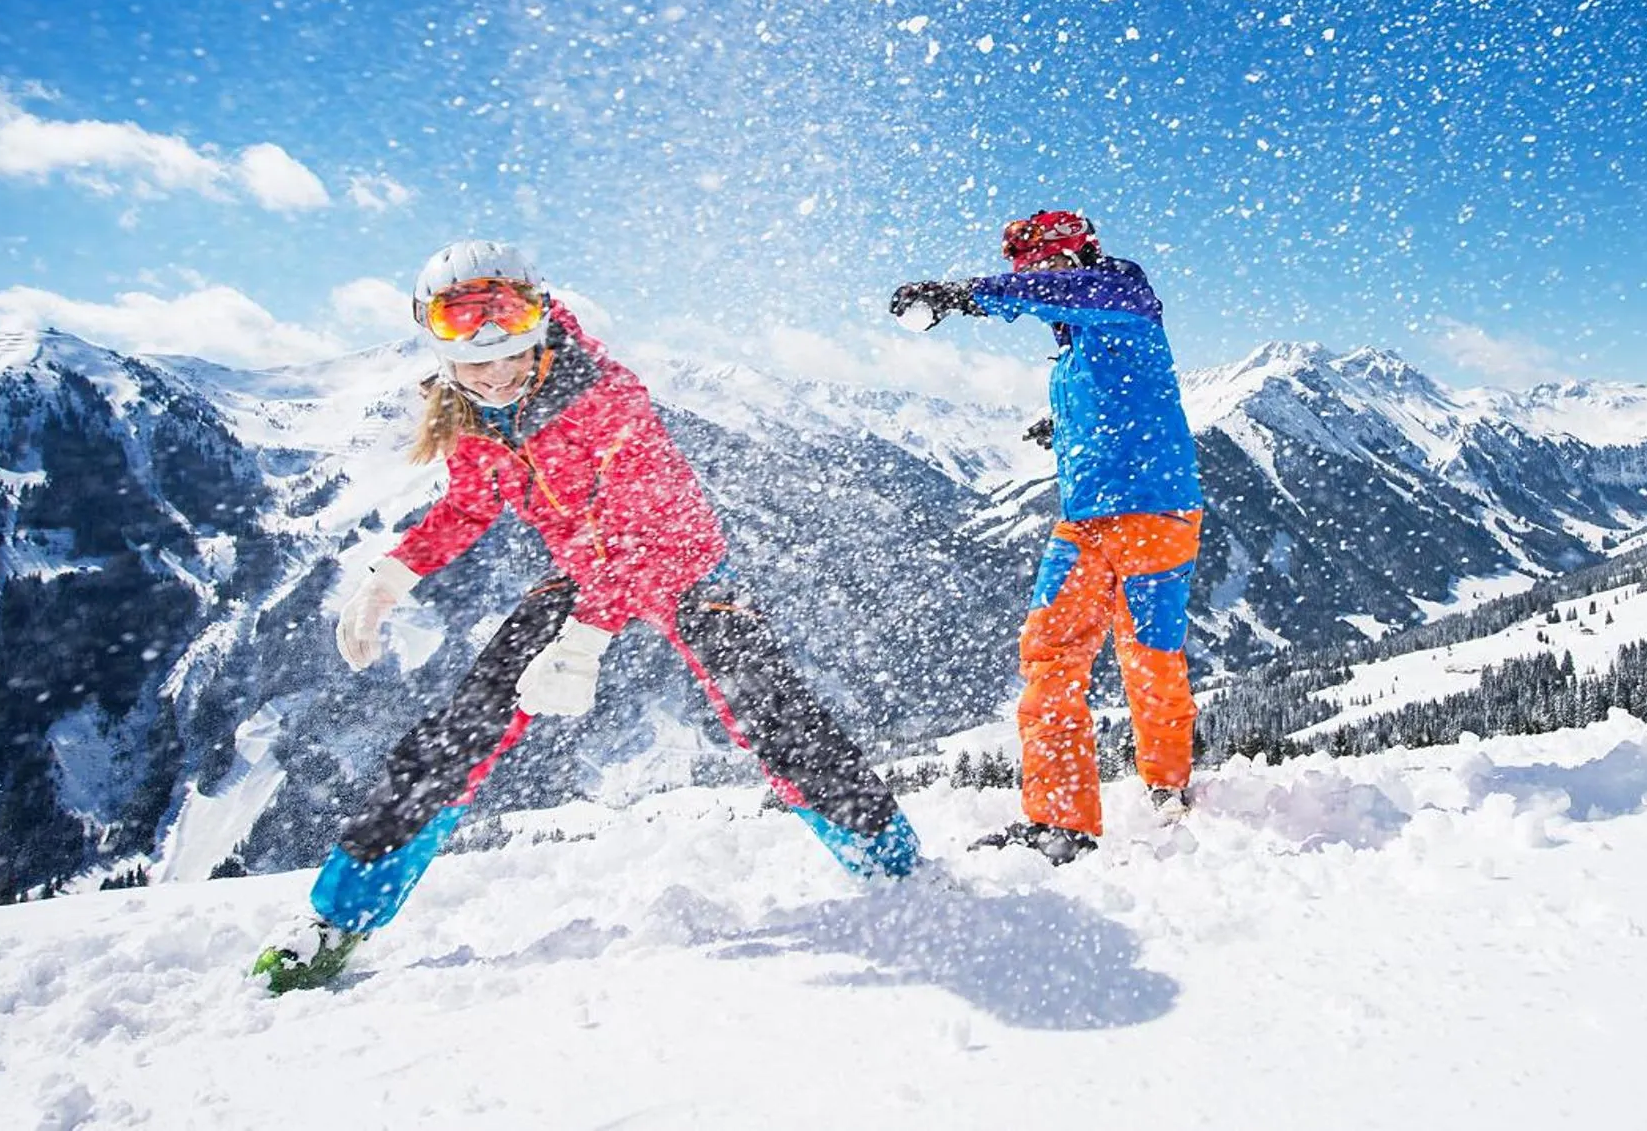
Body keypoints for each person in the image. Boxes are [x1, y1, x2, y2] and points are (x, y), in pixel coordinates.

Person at [254, 240, 918, 993]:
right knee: (461, 727)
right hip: (582, 570)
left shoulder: (606, 396)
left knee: (775, 716)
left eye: (510, 355)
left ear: (539, 326)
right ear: (439, 349)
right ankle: (338, 917)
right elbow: (472, 502)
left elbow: (644, 532)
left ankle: (897, 869)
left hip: (683, 566)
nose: (497, 375)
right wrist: (390, 576)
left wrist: (586, 639)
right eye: (476, 364)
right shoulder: (468, 410)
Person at [890, 211, 1204, 865]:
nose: (1040, 281)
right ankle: (1063, 823)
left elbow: (1066, 296)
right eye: (1030, 272)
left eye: (1048, 267)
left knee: (1150, 657)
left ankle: (1168, 786)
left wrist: (964, 295)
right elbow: (1114, 394)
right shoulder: (1079, 341)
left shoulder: (1122, 290)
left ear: (1080, 256)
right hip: (1089, 516)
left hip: (1152, 513)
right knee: (1050, 653)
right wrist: (1058, 426)